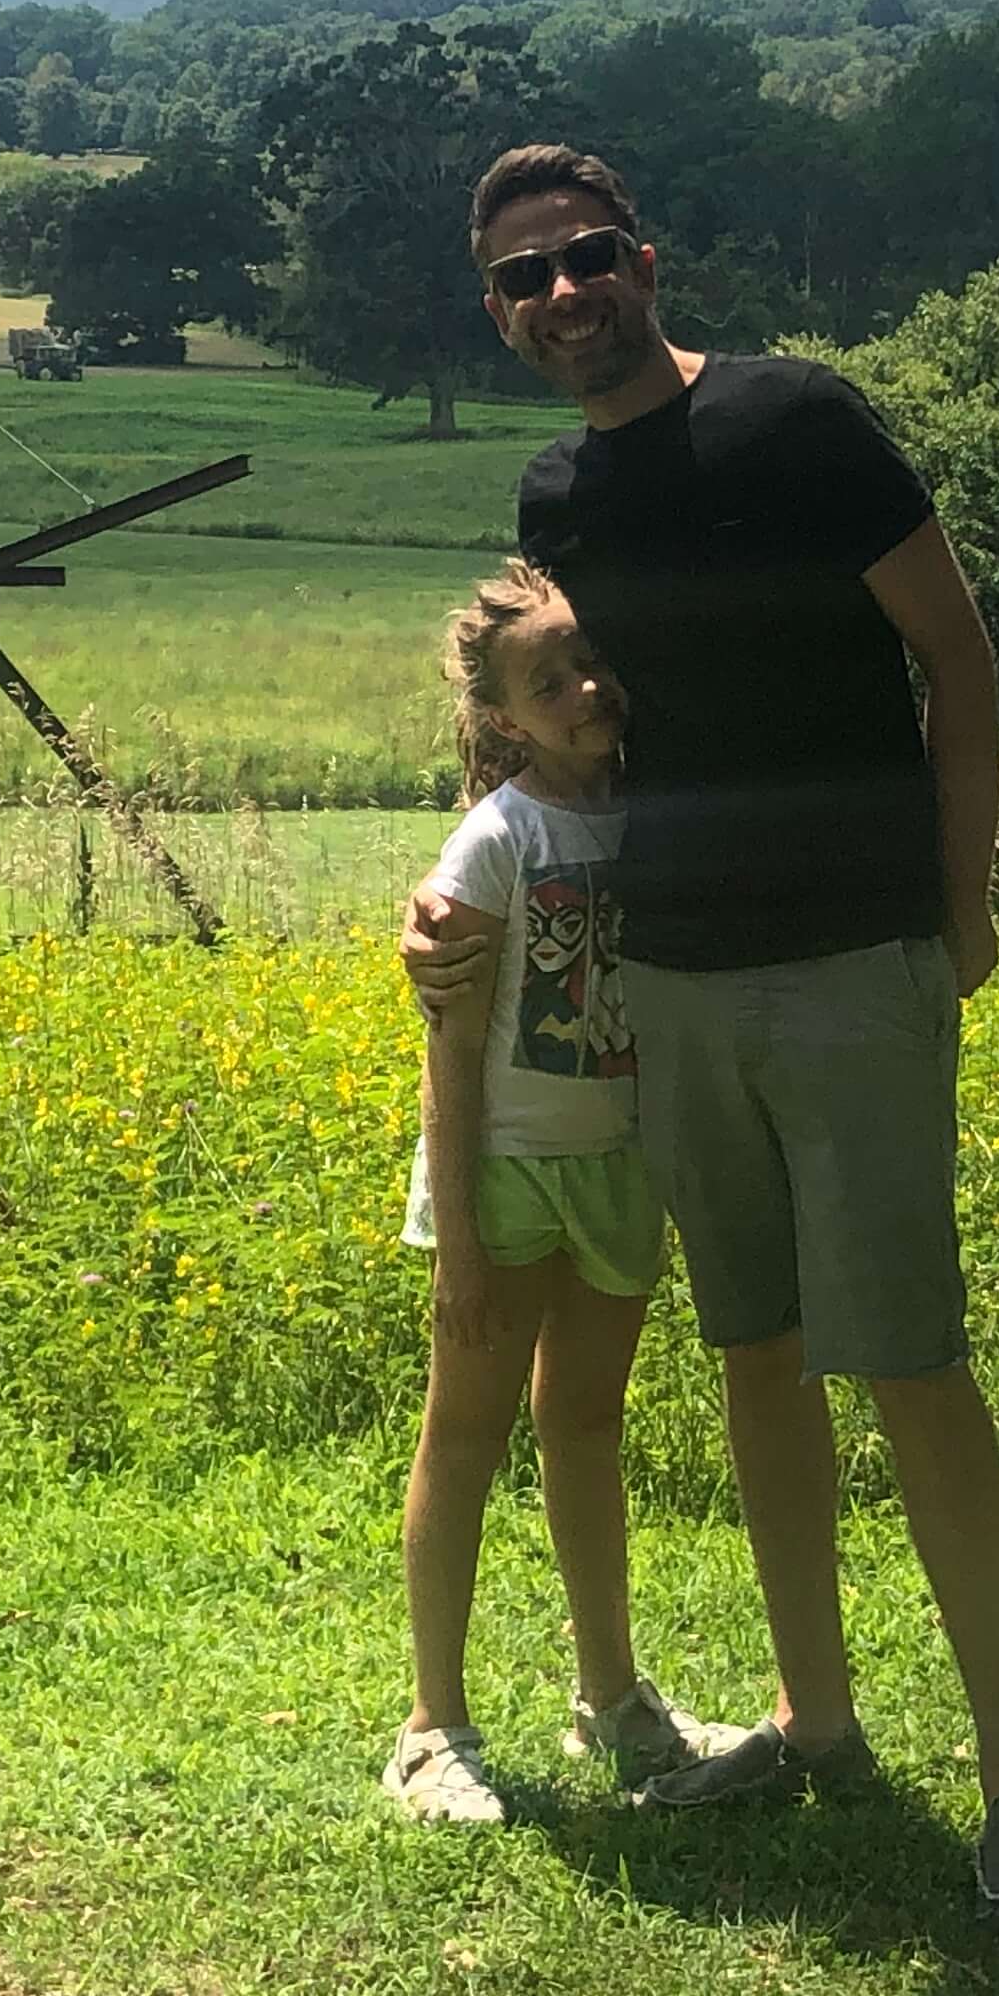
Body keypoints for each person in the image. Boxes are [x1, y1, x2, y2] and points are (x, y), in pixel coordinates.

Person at [404, 142, 999, 1942]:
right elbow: (555, 726)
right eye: (525, 278)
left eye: (591, 256)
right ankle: (818, 1717)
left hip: (853, 954)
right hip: (678, 982)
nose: (566, 294)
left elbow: (959, 657)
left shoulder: (804, 422)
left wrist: (963, 900)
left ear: (649, 255)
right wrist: (448, 889)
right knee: (758, 1350)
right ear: (496, 312)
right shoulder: (556, 492)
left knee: (912, 1359)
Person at [383, 558, 745, 1827]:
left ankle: (613, 1699)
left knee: (588, 1427)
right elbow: (448, 1050)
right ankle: (433, 1726)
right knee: (468, 1434)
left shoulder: (656, 812)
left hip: (618, 1168)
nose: (588, 687)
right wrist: (461, 1241)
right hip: (507, 1176)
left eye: (592, 659)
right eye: (551, 680)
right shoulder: (495, 844)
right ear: (505, 720)